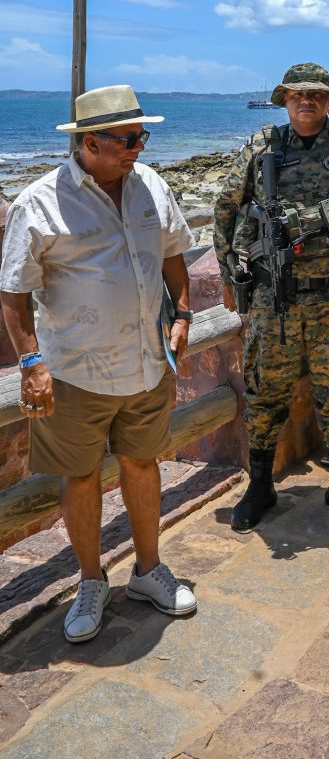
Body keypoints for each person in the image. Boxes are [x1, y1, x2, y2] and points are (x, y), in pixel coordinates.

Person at [0, 85, 197, 643]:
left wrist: (182, 312)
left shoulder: (151, 184)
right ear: (90, 142)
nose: (139, 148)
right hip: (76, 372)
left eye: (142, 137)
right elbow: (13, 293)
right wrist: (31, 362)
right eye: (129, 139)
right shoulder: (38, 203)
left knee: (142, 463)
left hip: (146, 364)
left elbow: (172, 252)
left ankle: (148, 570)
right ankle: (91, 581)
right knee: (81, 476)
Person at [214, 63, 329, 534]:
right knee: (266, 391)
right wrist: (231, 273)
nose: (306, 101)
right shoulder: (261, 147)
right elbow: (227, 207)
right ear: (284, 100)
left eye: (316, 95)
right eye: (297, 95)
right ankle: (262, 483)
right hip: (274, 297)